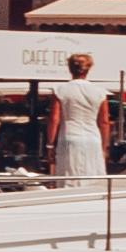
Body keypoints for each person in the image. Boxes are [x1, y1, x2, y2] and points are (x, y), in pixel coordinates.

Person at [46, 52, 107, 183]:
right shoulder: (100, 92)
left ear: (70, 68)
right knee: (92, 178)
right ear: (88, 69)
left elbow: (54, 119)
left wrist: (50, 145)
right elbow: (104, 122)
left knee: (68, 178)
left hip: (69, 136)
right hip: (93, 139)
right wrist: (104, 147)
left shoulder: (60, 90)